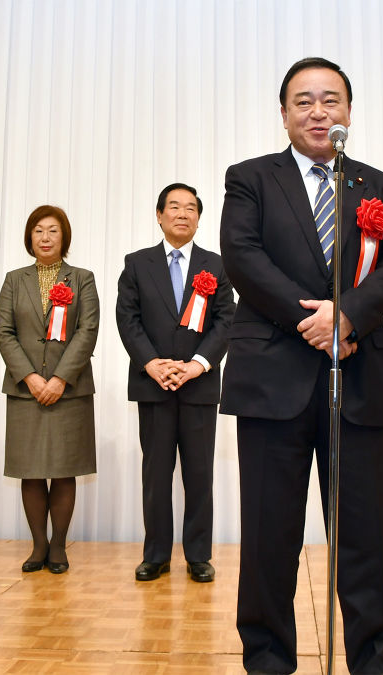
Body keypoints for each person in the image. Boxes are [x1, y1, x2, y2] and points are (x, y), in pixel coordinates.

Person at [220, 57, 383, 674]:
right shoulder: (250, 179)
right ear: (283, 114)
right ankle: (268, 662)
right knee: (269, 537)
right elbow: (242, 257)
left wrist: (348, 317)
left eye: (330, 99)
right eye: (303, 101)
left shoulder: (380, 187)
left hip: (358, 380)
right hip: (272, 381)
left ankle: (374, 662)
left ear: (348, 112)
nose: (317, 111)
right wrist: (314, 322)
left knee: (367, 539)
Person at [116, 183, 236, 583]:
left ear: (199, 218)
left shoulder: (216, 265)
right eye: (174, 206)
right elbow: (127, 318)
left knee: (199, 476)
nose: (183, 213)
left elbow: (226, 320)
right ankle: (156, 555)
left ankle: (199, 555)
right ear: (159, 215)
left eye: (190, 208)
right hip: (153, 386)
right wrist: (152, 364)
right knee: (156, 475)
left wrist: (198, 364)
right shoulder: (137, 264)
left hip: (199, 387)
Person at [0, 205, 99, 574]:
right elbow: (4, 332)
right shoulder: (14, 280)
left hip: (69, 391)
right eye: (38, 230)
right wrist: (30, 377)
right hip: (26, 390)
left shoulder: (82, 279)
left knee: (65, 469)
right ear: (30, 237)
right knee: (32, 470)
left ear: (64, 237)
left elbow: (87, 331)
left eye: (53, 230)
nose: (45, 237)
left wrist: (59, 378)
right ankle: (38, 545)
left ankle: (58, 546)